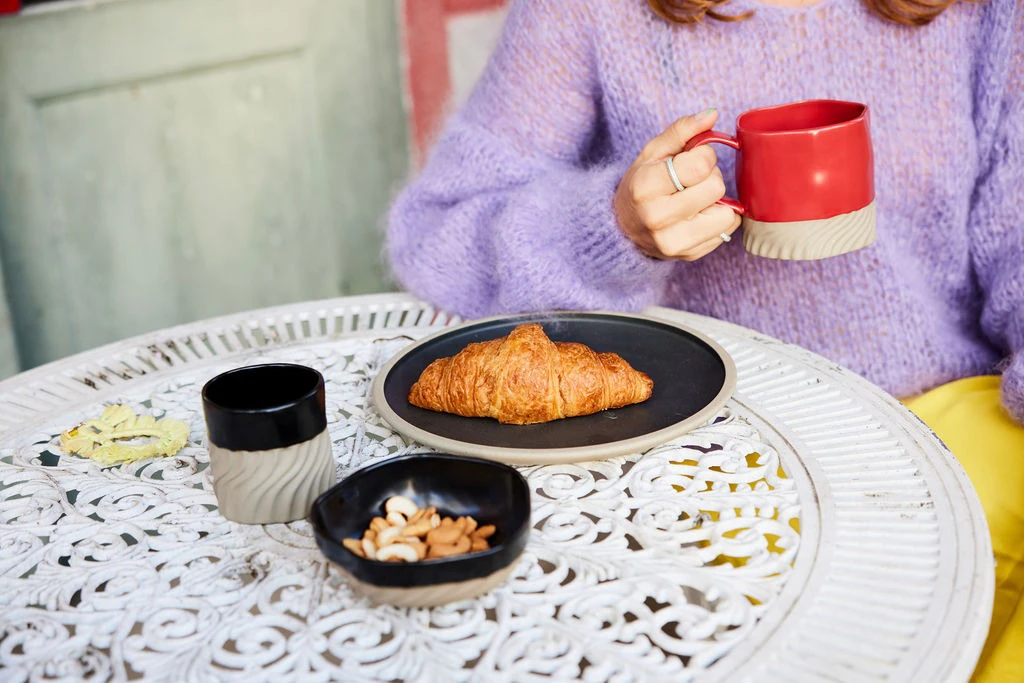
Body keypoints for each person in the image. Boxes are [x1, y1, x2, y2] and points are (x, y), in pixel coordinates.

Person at [385, 0, 1022, 679]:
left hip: (946, 419)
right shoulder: (588, 13)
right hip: (707, 447)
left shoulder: (988, 13)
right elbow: (438, 234)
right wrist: (611, 228)